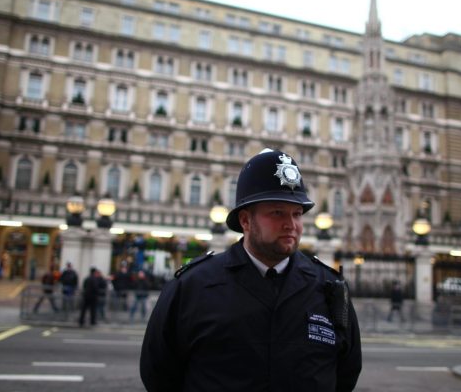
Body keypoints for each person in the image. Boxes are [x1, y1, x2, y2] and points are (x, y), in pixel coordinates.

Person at [140, 149, 362, 391]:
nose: (291, 225)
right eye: (277, 212)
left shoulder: (328, 287)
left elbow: (346, 373)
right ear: (245, 221)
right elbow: (159, 374)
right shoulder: (194, 286)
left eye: (297, 214)